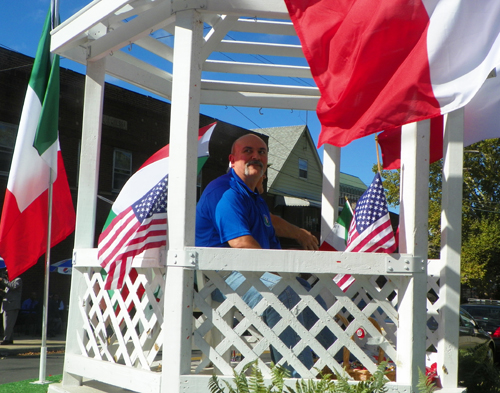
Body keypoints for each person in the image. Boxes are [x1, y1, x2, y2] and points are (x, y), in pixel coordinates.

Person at [196, 134, 333, 376]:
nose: (256, 156)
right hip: (219, 275)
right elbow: (241, 244)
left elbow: (271, 222)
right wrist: (281, 265)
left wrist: (299, 233)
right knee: (286, 293)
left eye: (262, 152)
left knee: (311, 294)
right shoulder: (225, 191)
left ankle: (332, 368)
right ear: (232, 159)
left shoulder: (253, 196)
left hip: (250, 270)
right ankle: (295, 380)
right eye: (248, 151)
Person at [0, 269, 22, 345]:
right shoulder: (8, 282)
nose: (6, 276)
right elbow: (7, 293)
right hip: (7, 305)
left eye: (7, 274)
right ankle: (9, 339)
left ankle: (6, 339)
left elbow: (13, 286)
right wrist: (2, 292)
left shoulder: (18, 280)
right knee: (8, 324)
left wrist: (3, 280)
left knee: (7, 324)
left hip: (12, 306)